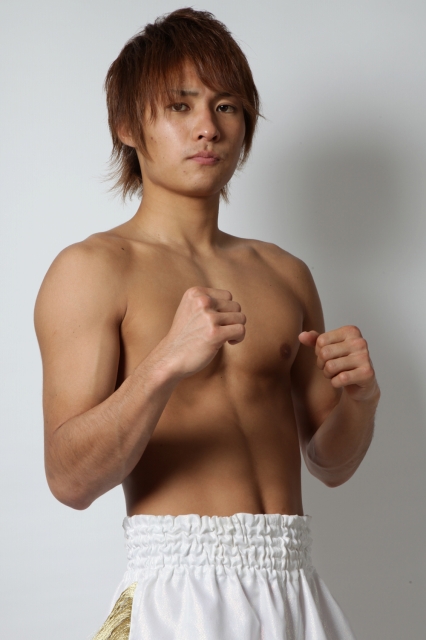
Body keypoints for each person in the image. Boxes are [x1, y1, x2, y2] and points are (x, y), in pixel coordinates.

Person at [34, 7, 380, 640]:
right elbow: (69, 479)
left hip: (295, 585)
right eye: (180, 105)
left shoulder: (285, 274)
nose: (208, 128)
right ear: (127, 125)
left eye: (226, 106)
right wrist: (165, 361)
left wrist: (360, 402)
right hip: (179, 594)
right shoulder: (92, 269)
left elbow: (329, 464)